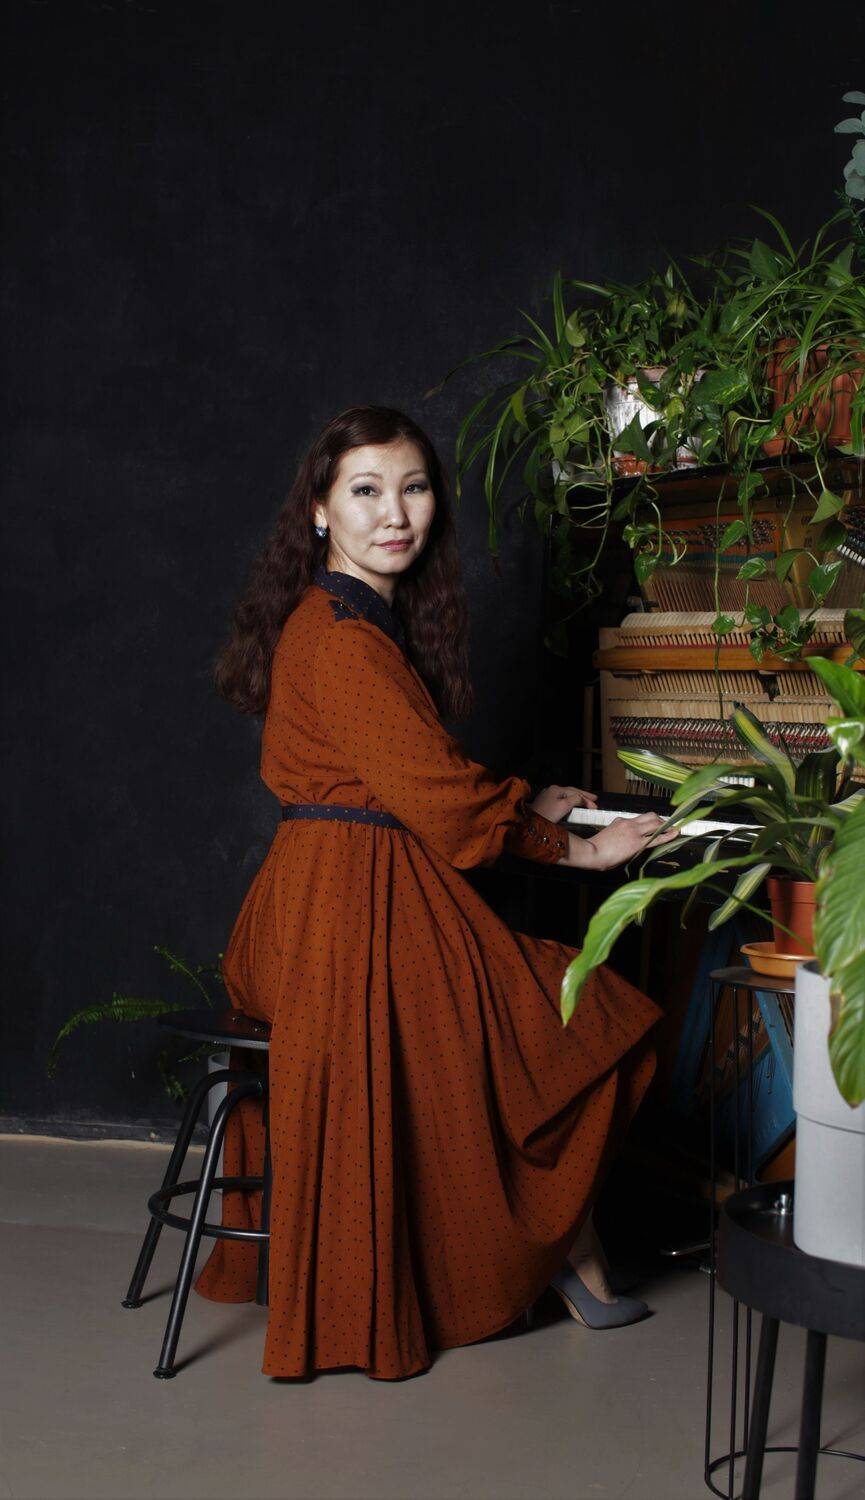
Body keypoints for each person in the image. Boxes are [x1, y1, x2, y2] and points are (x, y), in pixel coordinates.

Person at [193, 404, 673, 1381]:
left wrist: (523, 800)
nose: (394, 513)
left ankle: (569, 1253)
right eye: (366, 491)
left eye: (412, 488)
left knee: (525, 1024)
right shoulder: (342, 638)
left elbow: (403, 779)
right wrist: (581, 853)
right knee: (567, 1020)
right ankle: (564, 1252)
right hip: (343, 916)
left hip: (336, 899)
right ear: (320, 510)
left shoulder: (348, 623)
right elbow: (443, 806)